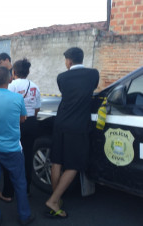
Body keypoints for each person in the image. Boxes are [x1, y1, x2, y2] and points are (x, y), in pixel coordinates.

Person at [45, 47, 99, 218]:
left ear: (68, 61)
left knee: (57, 161)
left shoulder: (62, 77)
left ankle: (56, 198)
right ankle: (54, 200)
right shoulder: (93, 74)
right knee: (74, 164)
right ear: (81, 59)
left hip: (60, 123)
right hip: (78, 126)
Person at [0, 66, 34, 226]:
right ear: (9, 79)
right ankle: (24, 216)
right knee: (20, 182)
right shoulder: (17, 99)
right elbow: (23, 119)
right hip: (12, 148)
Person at [0, 58, 41, 202]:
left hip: (14, 124)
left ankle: (8, 192)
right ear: (28, 72)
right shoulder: (35, 86)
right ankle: (26, 189)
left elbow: (5, 106)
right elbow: (37, 109)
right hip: (31, 123)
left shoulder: (11, 86)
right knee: (28, 156)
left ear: (14, 72)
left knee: (10, 156)